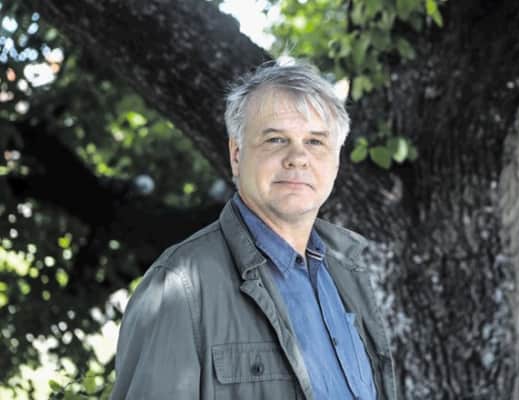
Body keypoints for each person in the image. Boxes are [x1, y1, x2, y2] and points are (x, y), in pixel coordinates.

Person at [110, 60, 396, 400]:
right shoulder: (179, 287)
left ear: (336, 159)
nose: (298, 157)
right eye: (276, 139)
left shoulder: (348, 272)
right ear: (236, 154)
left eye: (316, 142)